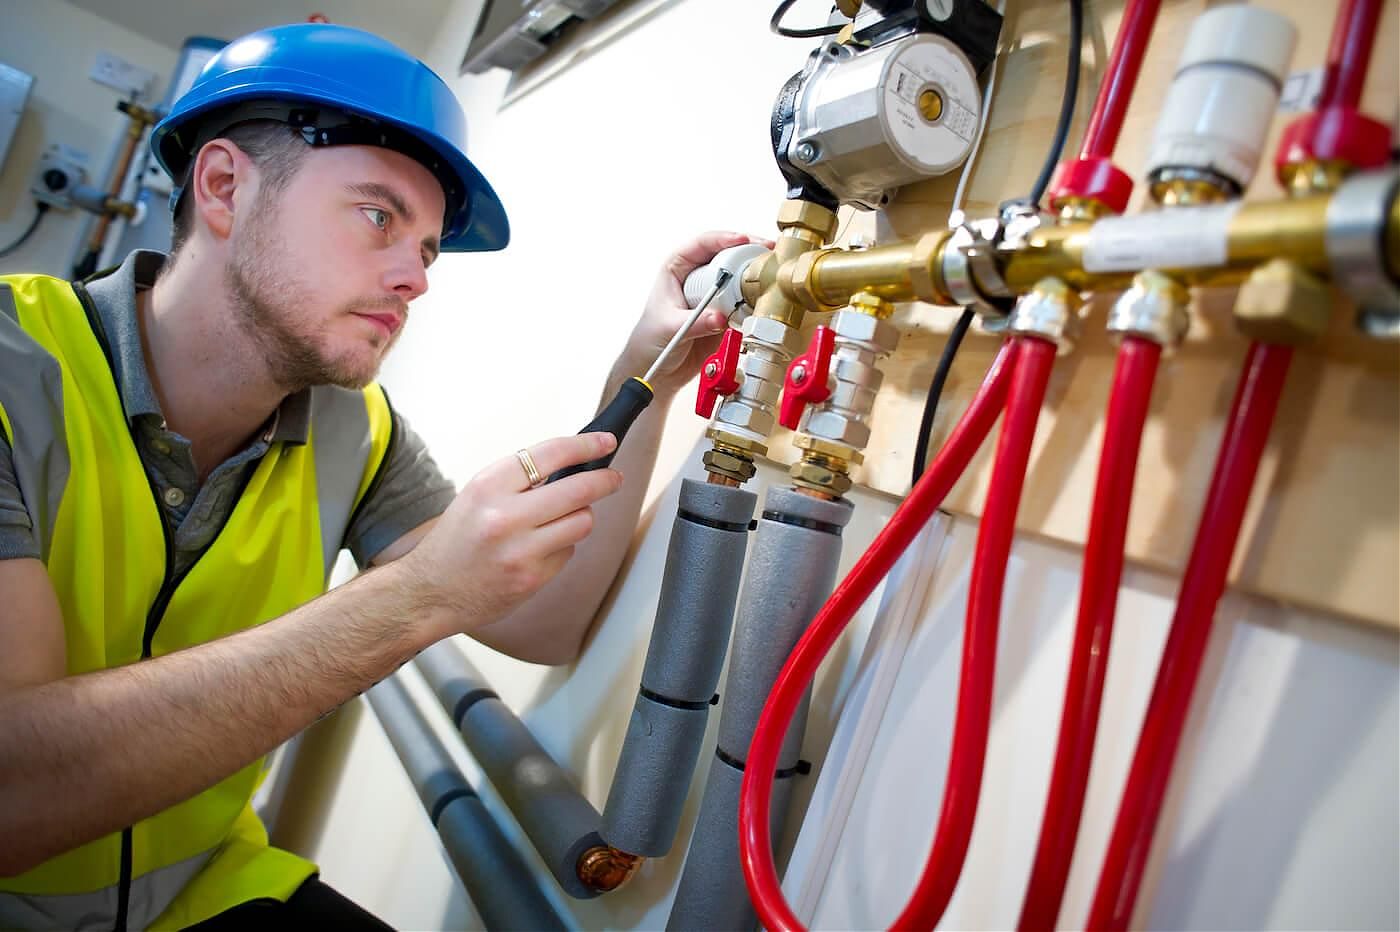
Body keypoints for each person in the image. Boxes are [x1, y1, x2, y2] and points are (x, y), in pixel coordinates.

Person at [0, 22, 757, 930]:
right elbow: (15, 793)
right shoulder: (15, 370)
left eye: (430, 248)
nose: (416, 278)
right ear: (223, 187)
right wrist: (413, 601)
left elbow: (546, 622)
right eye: (379, 217)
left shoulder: (351, 429)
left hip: (198, 893)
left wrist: (648, 371)